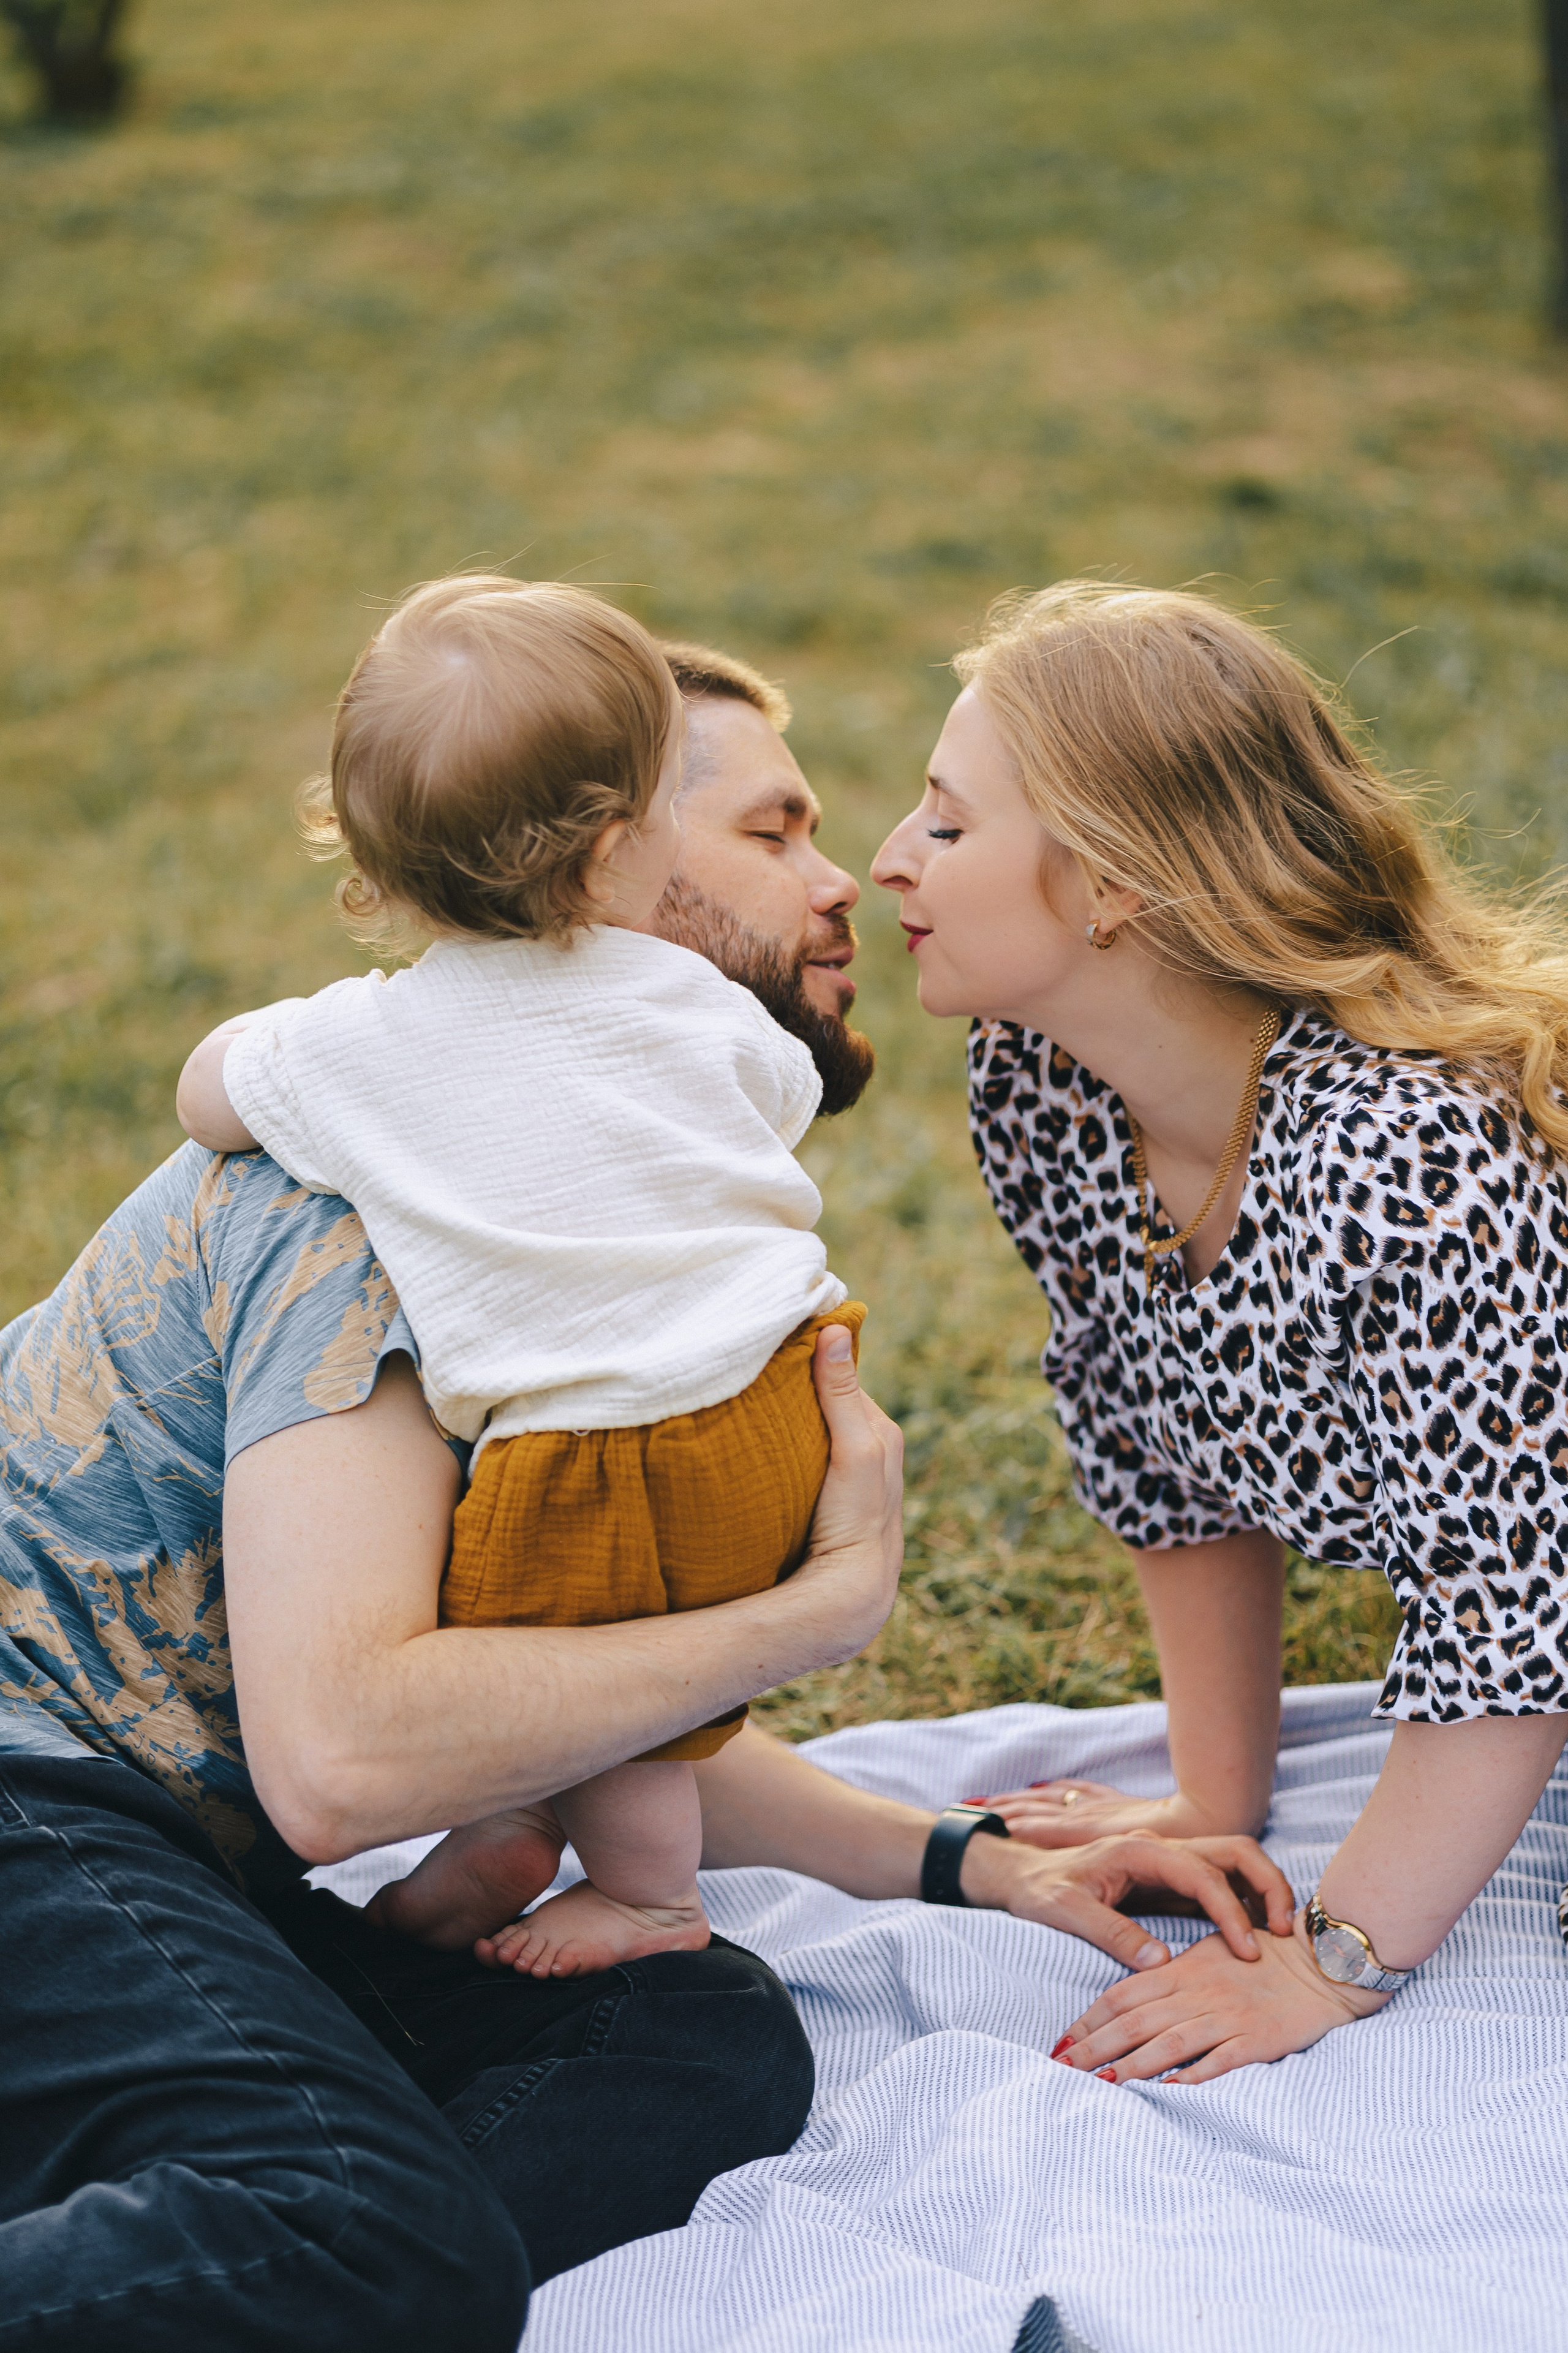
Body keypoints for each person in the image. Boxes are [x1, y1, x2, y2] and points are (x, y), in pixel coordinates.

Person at [0, 613, 1290, 2352]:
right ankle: (334, 2253)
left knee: (692, 2028)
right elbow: (350, 1761)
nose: (846, 885)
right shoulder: (371, 1202)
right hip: (37, 1802)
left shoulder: (581, 1218)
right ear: (600, 871)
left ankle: (238, 2262)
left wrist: (969, 1863)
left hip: (152, 1857)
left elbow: (556, 1682)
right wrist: (815, 1613)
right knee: (370, 2234)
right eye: (773, 831)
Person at [870, 578, 1568, 2087]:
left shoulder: (1406, 1161)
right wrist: (1211, 1796)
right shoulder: (1041, 1085)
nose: (885, 860)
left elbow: (1505, 1621)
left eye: (943, 822)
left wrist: (1330, 1964)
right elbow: (1147, 1436)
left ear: (1110, 883)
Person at [178, 575, 867, 1982]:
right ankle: (544, 1849)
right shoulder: (690, 997)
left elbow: (209, 1097)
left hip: (600, 1454)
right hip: (791, 1397)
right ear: (621, 855)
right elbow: (776, 1092)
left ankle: (631, 1885)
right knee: (634, 1644)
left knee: (534, 1647)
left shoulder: (362, 1046)